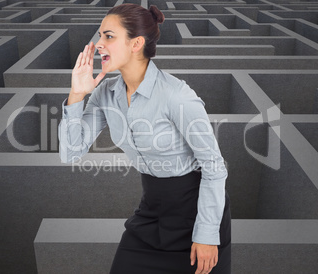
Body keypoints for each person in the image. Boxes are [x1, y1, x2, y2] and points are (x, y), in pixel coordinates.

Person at [58, 3, 231, 274]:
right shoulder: (105, 94)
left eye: (109, 36)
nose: (99, 44)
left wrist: (207, 234)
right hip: (151, 212)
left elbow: (214, 166)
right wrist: (77, 94)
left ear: (136, 43)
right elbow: (71, 152)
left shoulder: (177, 96)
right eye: (100, 36)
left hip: (197, 211)